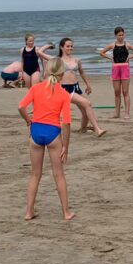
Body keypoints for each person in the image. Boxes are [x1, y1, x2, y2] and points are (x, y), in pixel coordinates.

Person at [17, 57, 75, 222]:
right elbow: (66, 122)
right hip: (53, 134)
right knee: (58, 174)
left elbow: (21, 106)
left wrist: (28, 120)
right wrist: (66, 146)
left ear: (47, 71)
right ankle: (66, 212)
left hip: (36, 132)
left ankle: (29, 212)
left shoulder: (36, 88)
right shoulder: (63, 94)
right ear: (62, 74)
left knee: (35, 174)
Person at [40, 39, 106, 137]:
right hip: (64, 90)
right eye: (68, 46)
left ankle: (83, 129)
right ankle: (97, 129)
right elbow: (39, 52)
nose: (70, 48)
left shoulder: (76, 60)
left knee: (85, 111)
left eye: (71, 46)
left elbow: (82, 72)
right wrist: (48, 46)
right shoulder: (57, 60)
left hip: (76, 87)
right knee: (87, 103)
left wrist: (88, 84)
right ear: (62, 47)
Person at [98, 27, 133, 120]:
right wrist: (110, 58)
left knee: (125, 92)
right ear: (115, 35)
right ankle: (117, 113)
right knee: (117, 92)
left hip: (125, 68)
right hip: (115, 68)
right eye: (119, 35)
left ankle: (127, 113)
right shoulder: (112, 45)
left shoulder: (127, 45)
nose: (121, 37)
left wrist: (130, 57)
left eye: (122, 35)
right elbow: (101, 52)